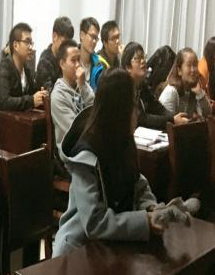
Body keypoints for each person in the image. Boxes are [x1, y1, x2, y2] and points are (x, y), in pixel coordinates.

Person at [53, 69, 163, 257]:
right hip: (79, 251)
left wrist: (151, 208)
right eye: (133, 104)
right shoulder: (86, 154)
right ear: (118, 110)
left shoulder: (123, 139)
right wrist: (144, 221)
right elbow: (94, 223)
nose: (138, 111)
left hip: (113, 247)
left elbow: (137, 181)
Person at [0, 23, 48, 149]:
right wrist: (31, 100)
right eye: (27, 42)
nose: (31, 47)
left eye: (31, 43)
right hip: (0, 129)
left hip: (18, 124)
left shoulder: (27, 69)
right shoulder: (4, 68)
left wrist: (41, 95)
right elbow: (5, 102)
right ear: (15, 45)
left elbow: (32, 93)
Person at [121, 42, 188, 131]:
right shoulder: (123, 87)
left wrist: (176, 118)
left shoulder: (142, 85)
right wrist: (172, 120)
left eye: (143, 57)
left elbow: (157, 108)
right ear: (128, 67)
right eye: (138, 59)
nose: (143, 61)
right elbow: (141, 118)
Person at [51, 40, 94, 162]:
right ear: (62, 64)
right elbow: (75, 133)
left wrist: (83, 86)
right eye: (73, 60)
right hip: (71, 155)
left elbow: (96, 109)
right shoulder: (58, 96)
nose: (78, 65)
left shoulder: (81, 85)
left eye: (79, 60)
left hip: (87, 145)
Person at [159, 48, 211, 119]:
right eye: (189, 65)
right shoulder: (171, 92)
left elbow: (207, 115)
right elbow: (166, 122)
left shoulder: (193, 89)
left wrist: (200, 94)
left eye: (195, 65)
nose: (193, 70)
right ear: (179, 70)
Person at [35, 16, 74, 94]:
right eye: (64, 42)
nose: (66, 47)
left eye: (68, 43)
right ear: (54, 36)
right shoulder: (45, 61)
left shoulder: (65, 58)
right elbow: (51, 94)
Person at [78, 17, 104, 90]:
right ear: (82, 35)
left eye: (96, 38)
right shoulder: (70, 60)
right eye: (92, 36)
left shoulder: (99, 65)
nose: (94, 41)